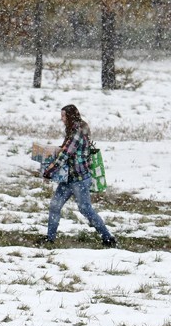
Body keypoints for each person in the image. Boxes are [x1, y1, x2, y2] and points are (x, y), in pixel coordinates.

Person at [37, 104, 116, 248]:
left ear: (70, 116)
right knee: (55, 206)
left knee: (85, 209)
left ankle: (108, 238)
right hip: (68, 178)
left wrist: (49, 171)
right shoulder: (73, 130)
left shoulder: (77, 132)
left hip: (79, 179)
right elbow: (65, 151)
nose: (61, 119)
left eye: (63, 116)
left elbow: (66, 154)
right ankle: (50, 238)